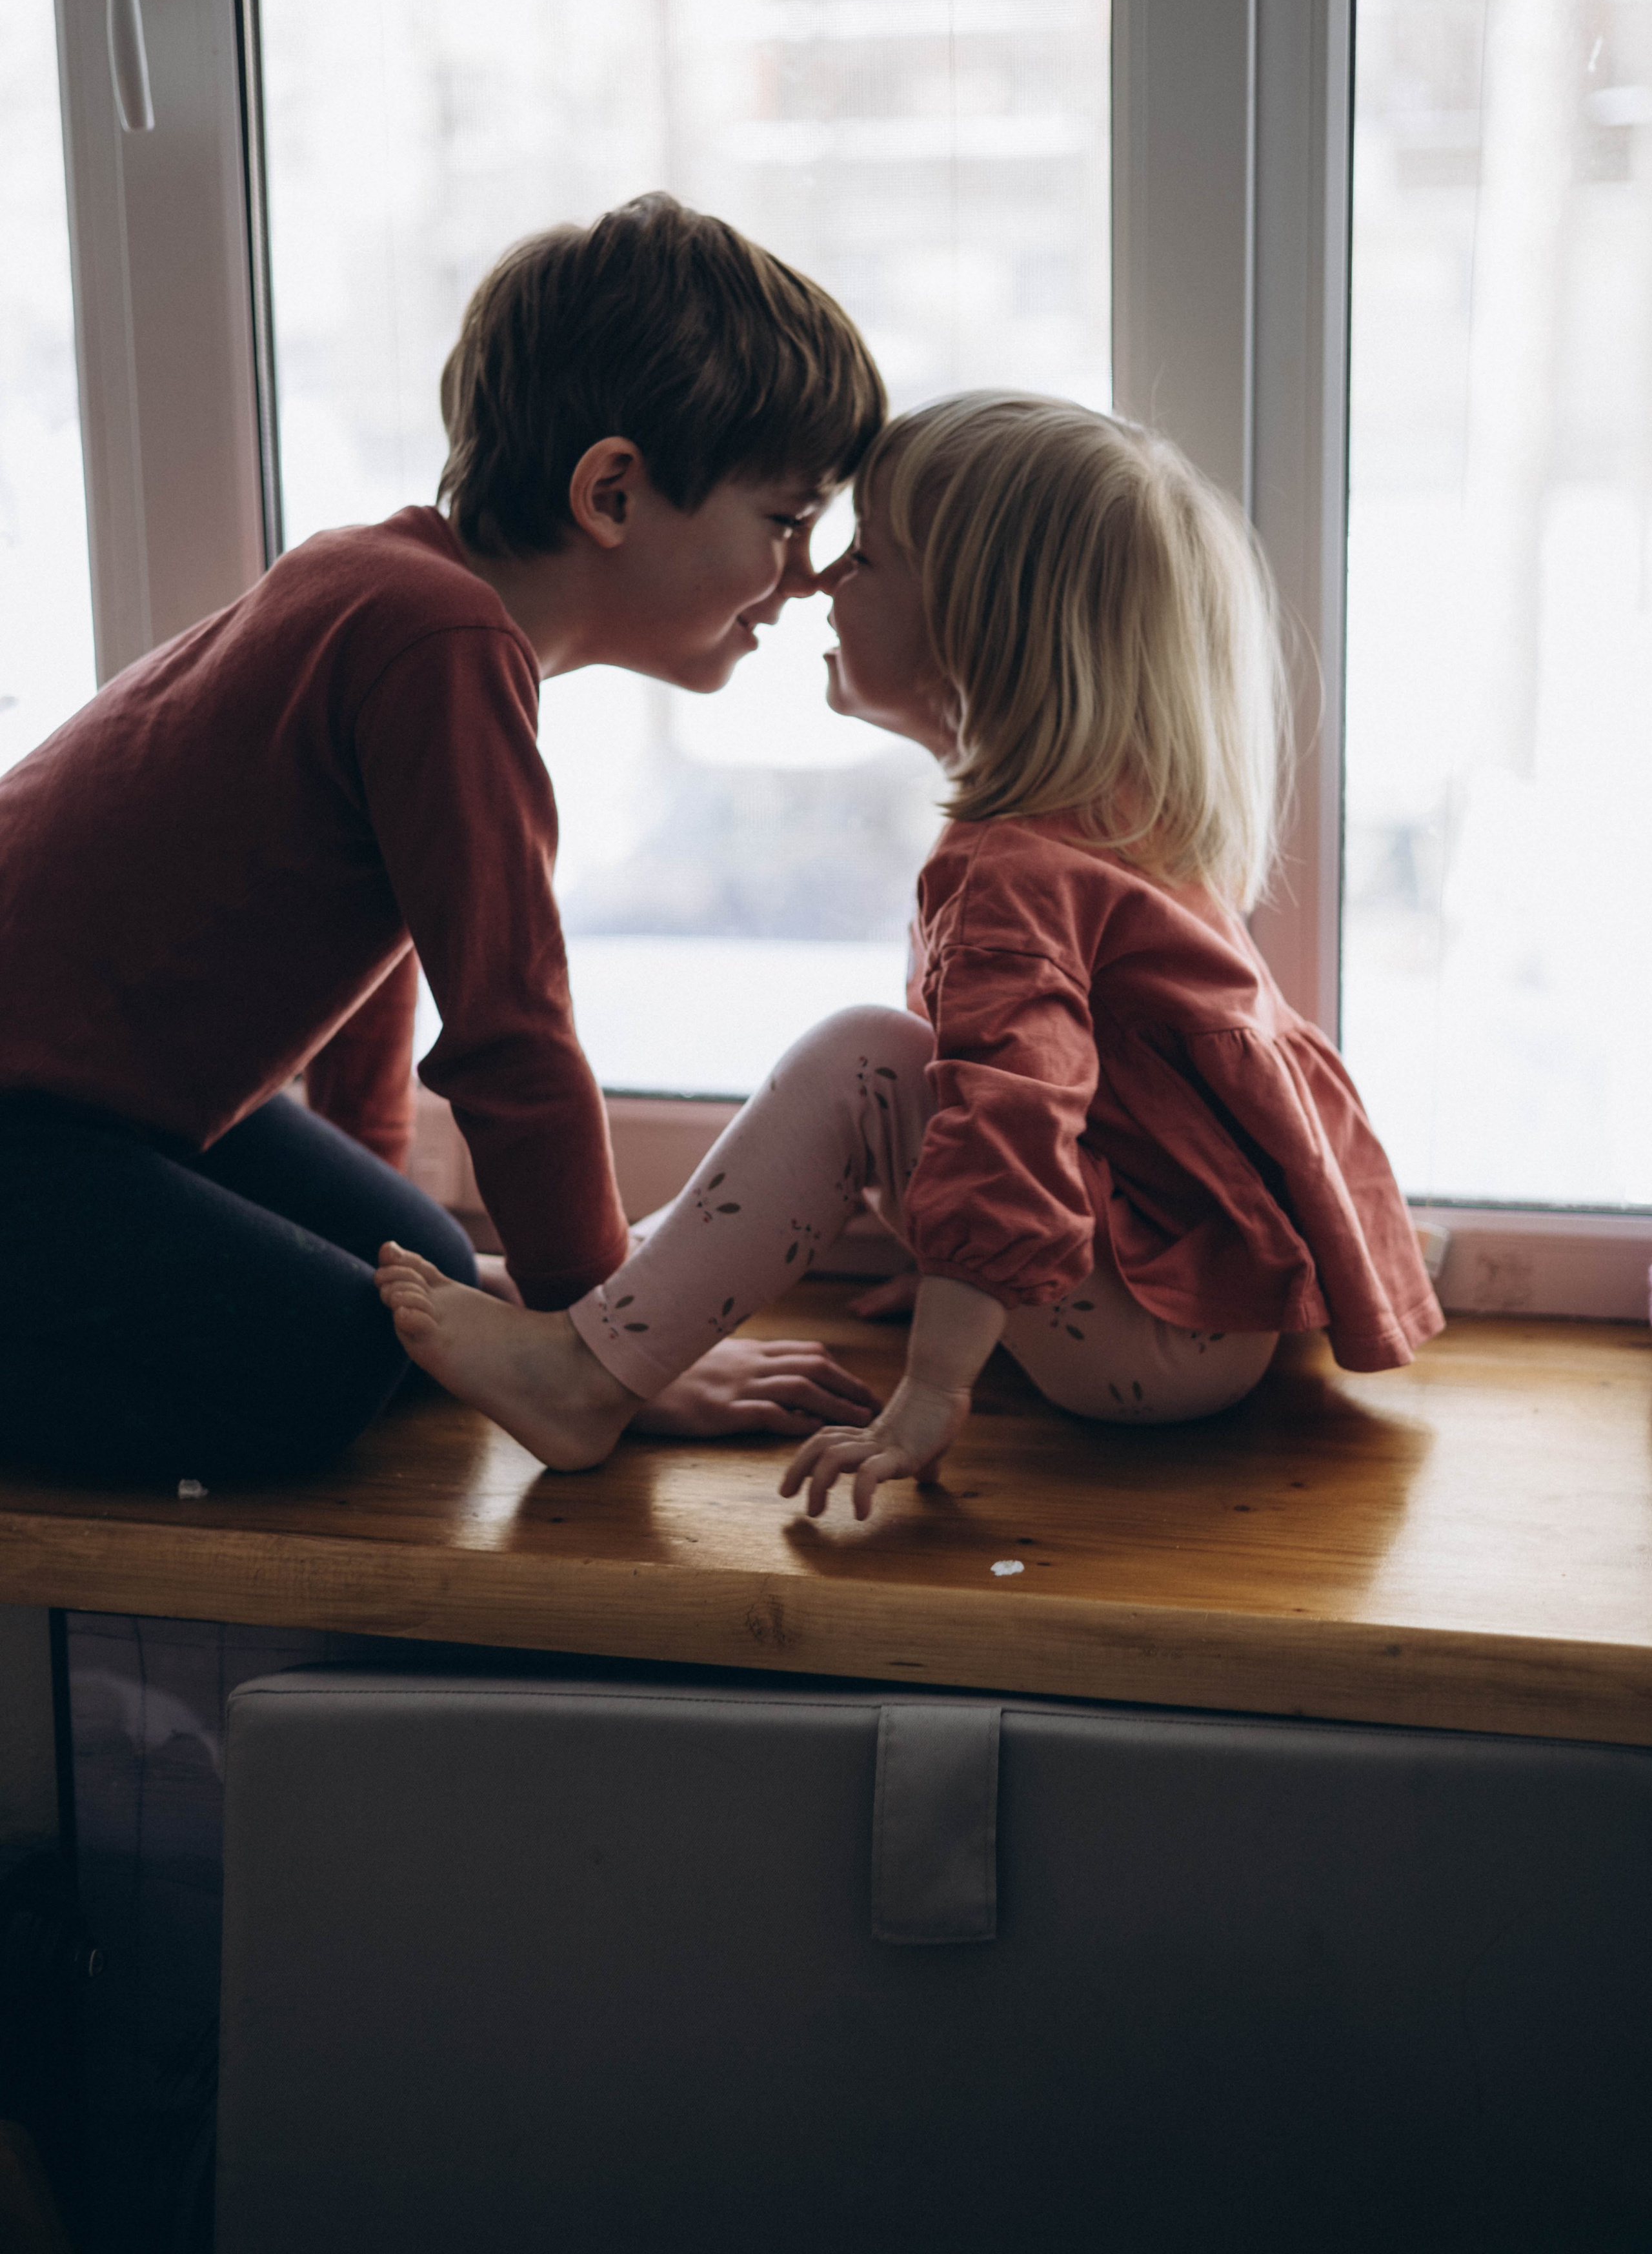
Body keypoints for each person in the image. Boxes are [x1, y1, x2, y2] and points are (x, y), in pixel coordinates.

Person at [376, 392, 1445, 1517]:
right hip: (1200, 1316)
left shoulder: (1011, 870)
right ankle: (602, 1302)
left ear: (980, 631)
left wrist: (933, 1386)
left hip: (1150, 1356)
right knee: (909, 1064)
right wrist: (948, 1262)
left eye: (866, 556)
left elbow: (1017, 1118)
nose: (821, 583)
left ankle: (585, 1381)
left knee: (865, 1056)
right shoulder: (1112, 820)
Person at [0, 194, 887, 1483]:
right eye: (785, 520)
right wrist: (614, 1349)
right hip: (29, 1122)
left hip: (92, 1106)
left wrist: (352, 1210)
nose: (804, 575)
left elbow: (373, 925)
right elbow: (510, 1029)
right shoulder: (440, 639)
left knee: (408, 1255)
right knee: (331, 1373)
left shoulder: (403, 595)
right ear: (614, 491)